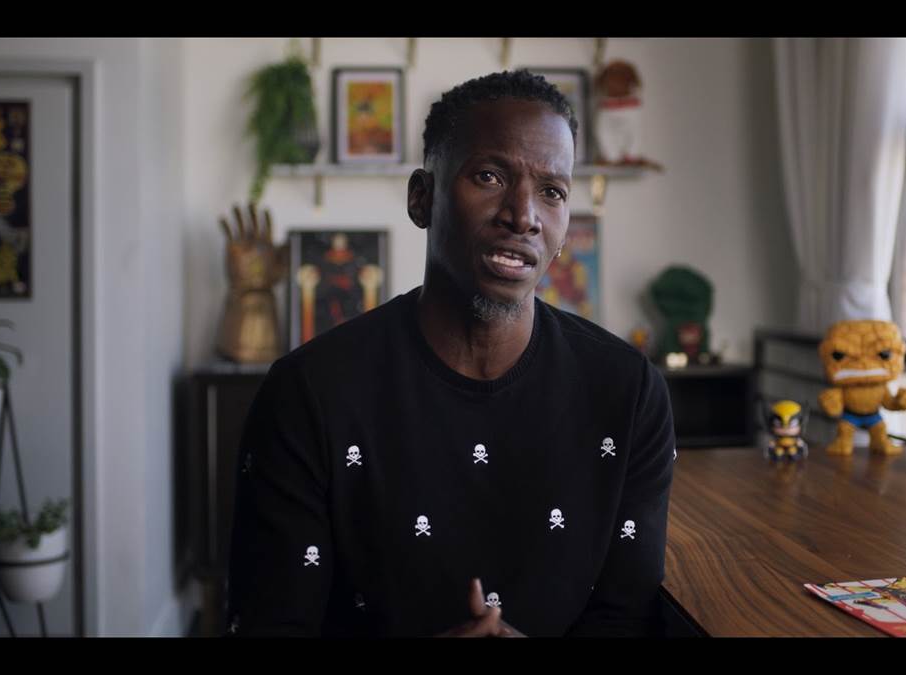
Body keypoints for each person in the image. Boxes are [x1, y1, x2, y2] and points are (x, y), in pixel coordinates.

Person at [225, 70, 675, 637]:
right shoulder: (309, 394)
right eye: (489, 176)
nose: (523, 215)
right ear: (421, 197)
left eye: (552, 192)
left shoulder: (627, 393)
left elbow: (629, 620)